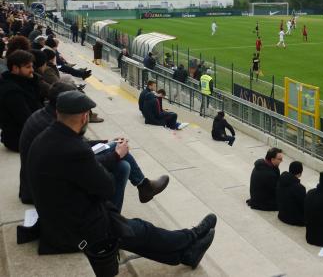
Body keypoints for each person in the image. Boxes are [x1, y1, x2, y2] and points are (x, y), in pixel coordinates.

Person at [27, 90, 216, 268]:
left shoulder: (47, 137)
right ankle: (191, 236)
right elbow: (107, 188)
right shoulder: (74, 149)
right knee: (140, 229)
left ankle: (186, 255)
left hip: (60, 220)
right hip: (72, 232)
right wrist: (114, 158)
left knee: (131, 231)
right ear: (85, 117)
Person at [19, 81, 169, 210]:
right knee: (122, 165)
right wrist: (116, 154)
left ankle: (139, 190)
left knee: (123, 164)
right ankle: (141, 188)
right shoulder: (54, 131)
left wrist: (107, 143)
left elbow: (76, 154)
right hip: (47, 194)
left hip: (43, 185)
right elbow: (81, 164)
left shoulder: (50, 121)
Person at [0, 50, 43, 151]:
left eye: (32, 66)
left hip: (25, 135)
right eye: (28, 67)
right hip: (19, 140)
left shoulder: (23, 83)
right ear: (15, 68)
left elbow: (36, 106)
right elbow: (27, 120)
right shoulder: (11, 91)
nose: (32, 70)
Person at [276, 161, 306, 226]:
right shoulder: (300, 188)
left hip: (282, 215)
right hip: (295, 219)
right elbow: (304, 206)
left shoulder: (282, 178)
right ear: (300, 173)